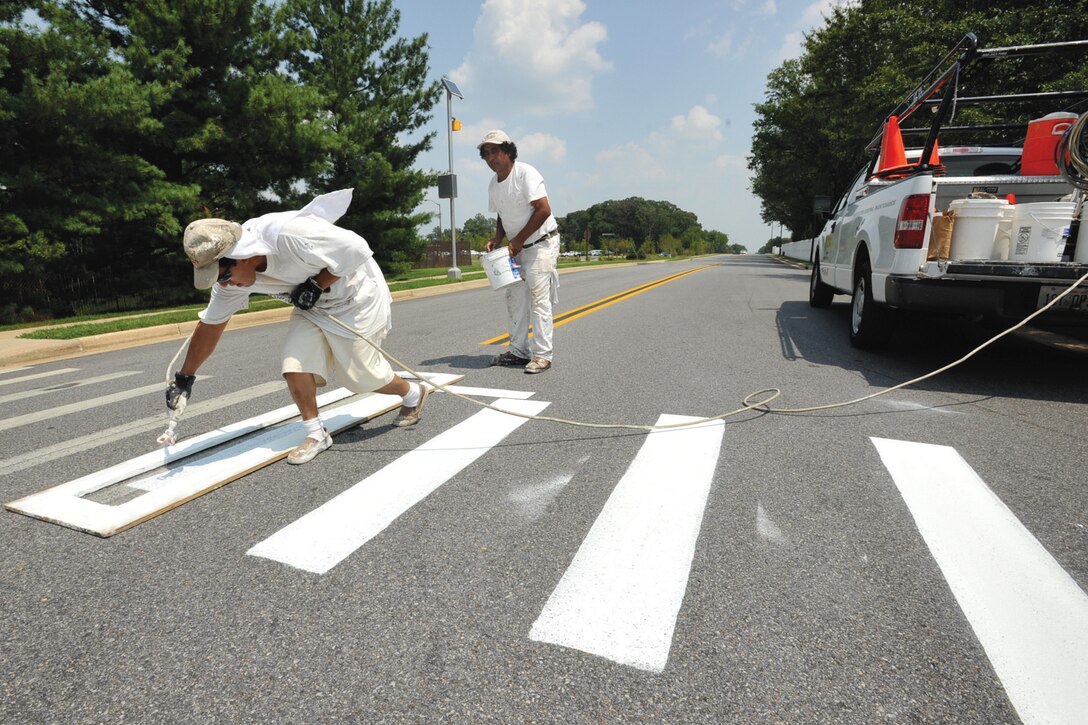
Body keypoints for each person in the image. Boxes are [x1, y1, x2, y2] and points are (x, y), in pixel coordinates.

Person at [167, 189, 428, 465]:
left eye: (224, 276)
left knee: (362, 378)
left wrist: (318, 283)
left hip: (357, 299)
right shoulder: (230, 280)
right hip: (313, 307)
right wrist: (184, 378)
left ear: (243, 256)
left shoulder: (290, 236)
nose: (224, 285)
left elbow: (357, 248)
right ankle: (316, 434)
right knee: (295, 364)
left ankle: (412, 392)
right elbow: (211, 326)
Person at [478, 130, 560, 374]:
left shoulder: (525, 173)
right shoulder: (494, 184)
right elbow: (502, 215)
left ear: (508, 151)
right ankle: (518, 352)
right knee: (515, 299)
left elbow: (543, 210)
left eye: (495, 151)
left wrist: (518, 241)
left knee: (538, 299)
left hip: (541, 244)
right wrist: (498, 238)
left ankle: (543, 355)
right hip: (518, 247)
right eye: (486, 154)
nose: (491, 158)